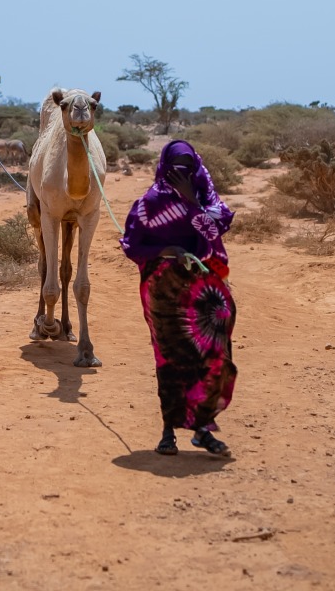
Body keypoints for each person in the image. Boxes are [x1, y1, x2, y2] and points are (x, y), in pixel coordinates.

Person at [118, 140, 238, 457]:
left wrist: (190, 202)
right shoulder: (149, 204)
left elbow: (216, 227)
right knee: (170, 358)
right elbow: (131, 245)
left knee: (213, 356)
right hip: (162, 290)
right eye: (176, 167)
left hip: (204, 287)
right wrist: (166, 251)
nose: (182, 173)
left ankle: (202, 429)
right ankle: (168, 431)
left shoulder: (206, 199)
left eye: (188, 166)